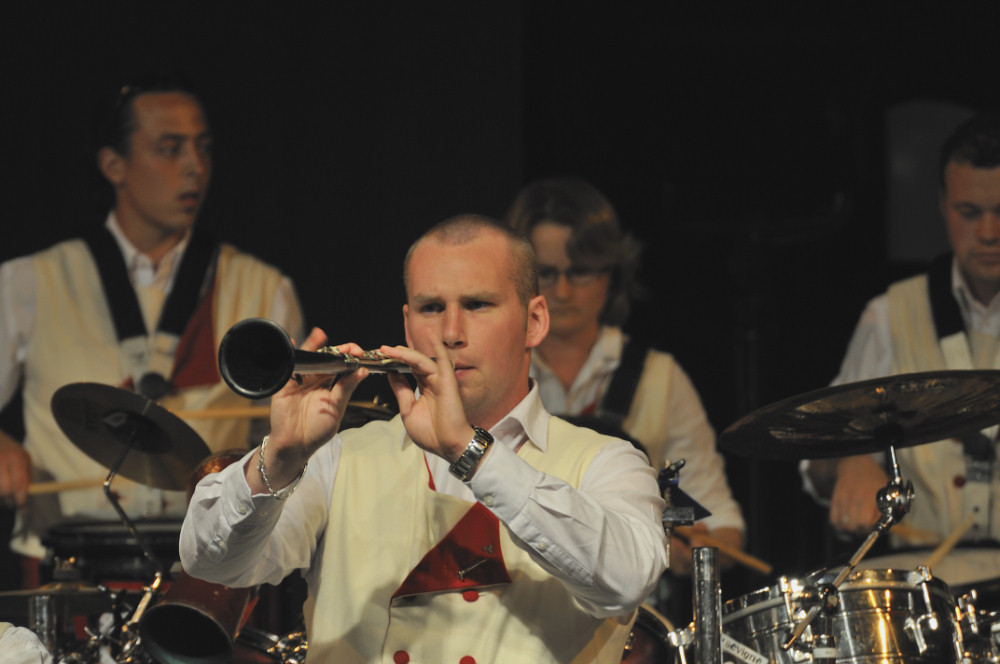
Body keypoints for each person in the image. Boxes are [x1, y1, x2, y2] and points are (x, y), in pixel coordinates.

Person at [180, 215, 668, 663]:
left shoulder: (610, 462)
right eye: (431, 308)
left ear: (534, 321)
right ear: (408, 325)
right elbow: (212, 563)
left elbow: (625, 581)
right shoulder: (338, 459)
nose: (451, 332)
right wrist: (281, 455)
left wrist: (469, 452)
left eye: (478, 305)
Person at [0, 72, 305, 580]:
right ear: (113, 165)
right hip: (68, 565)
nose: (195, 168)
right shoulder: (27, 283)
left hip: (209, 567)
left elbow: (281, 446)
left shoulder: (265, 290)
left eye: (203, 149)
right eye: (170, 148)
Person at [504, 176, 745, 577]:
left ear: (612, 274)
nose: (562, 291)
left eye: (580, 272)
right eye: (546, 273)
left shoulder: (659, 377)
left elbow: (723, 525)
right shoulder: (492, 374)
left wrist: (700, 550)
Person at [802, 113, 1000, 560]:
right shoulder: (890, 315)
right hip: (927, 602)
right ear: (942, 205)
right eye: (970, 213)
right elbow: (814, 458)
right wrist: (852, 462)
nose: (989, 233)